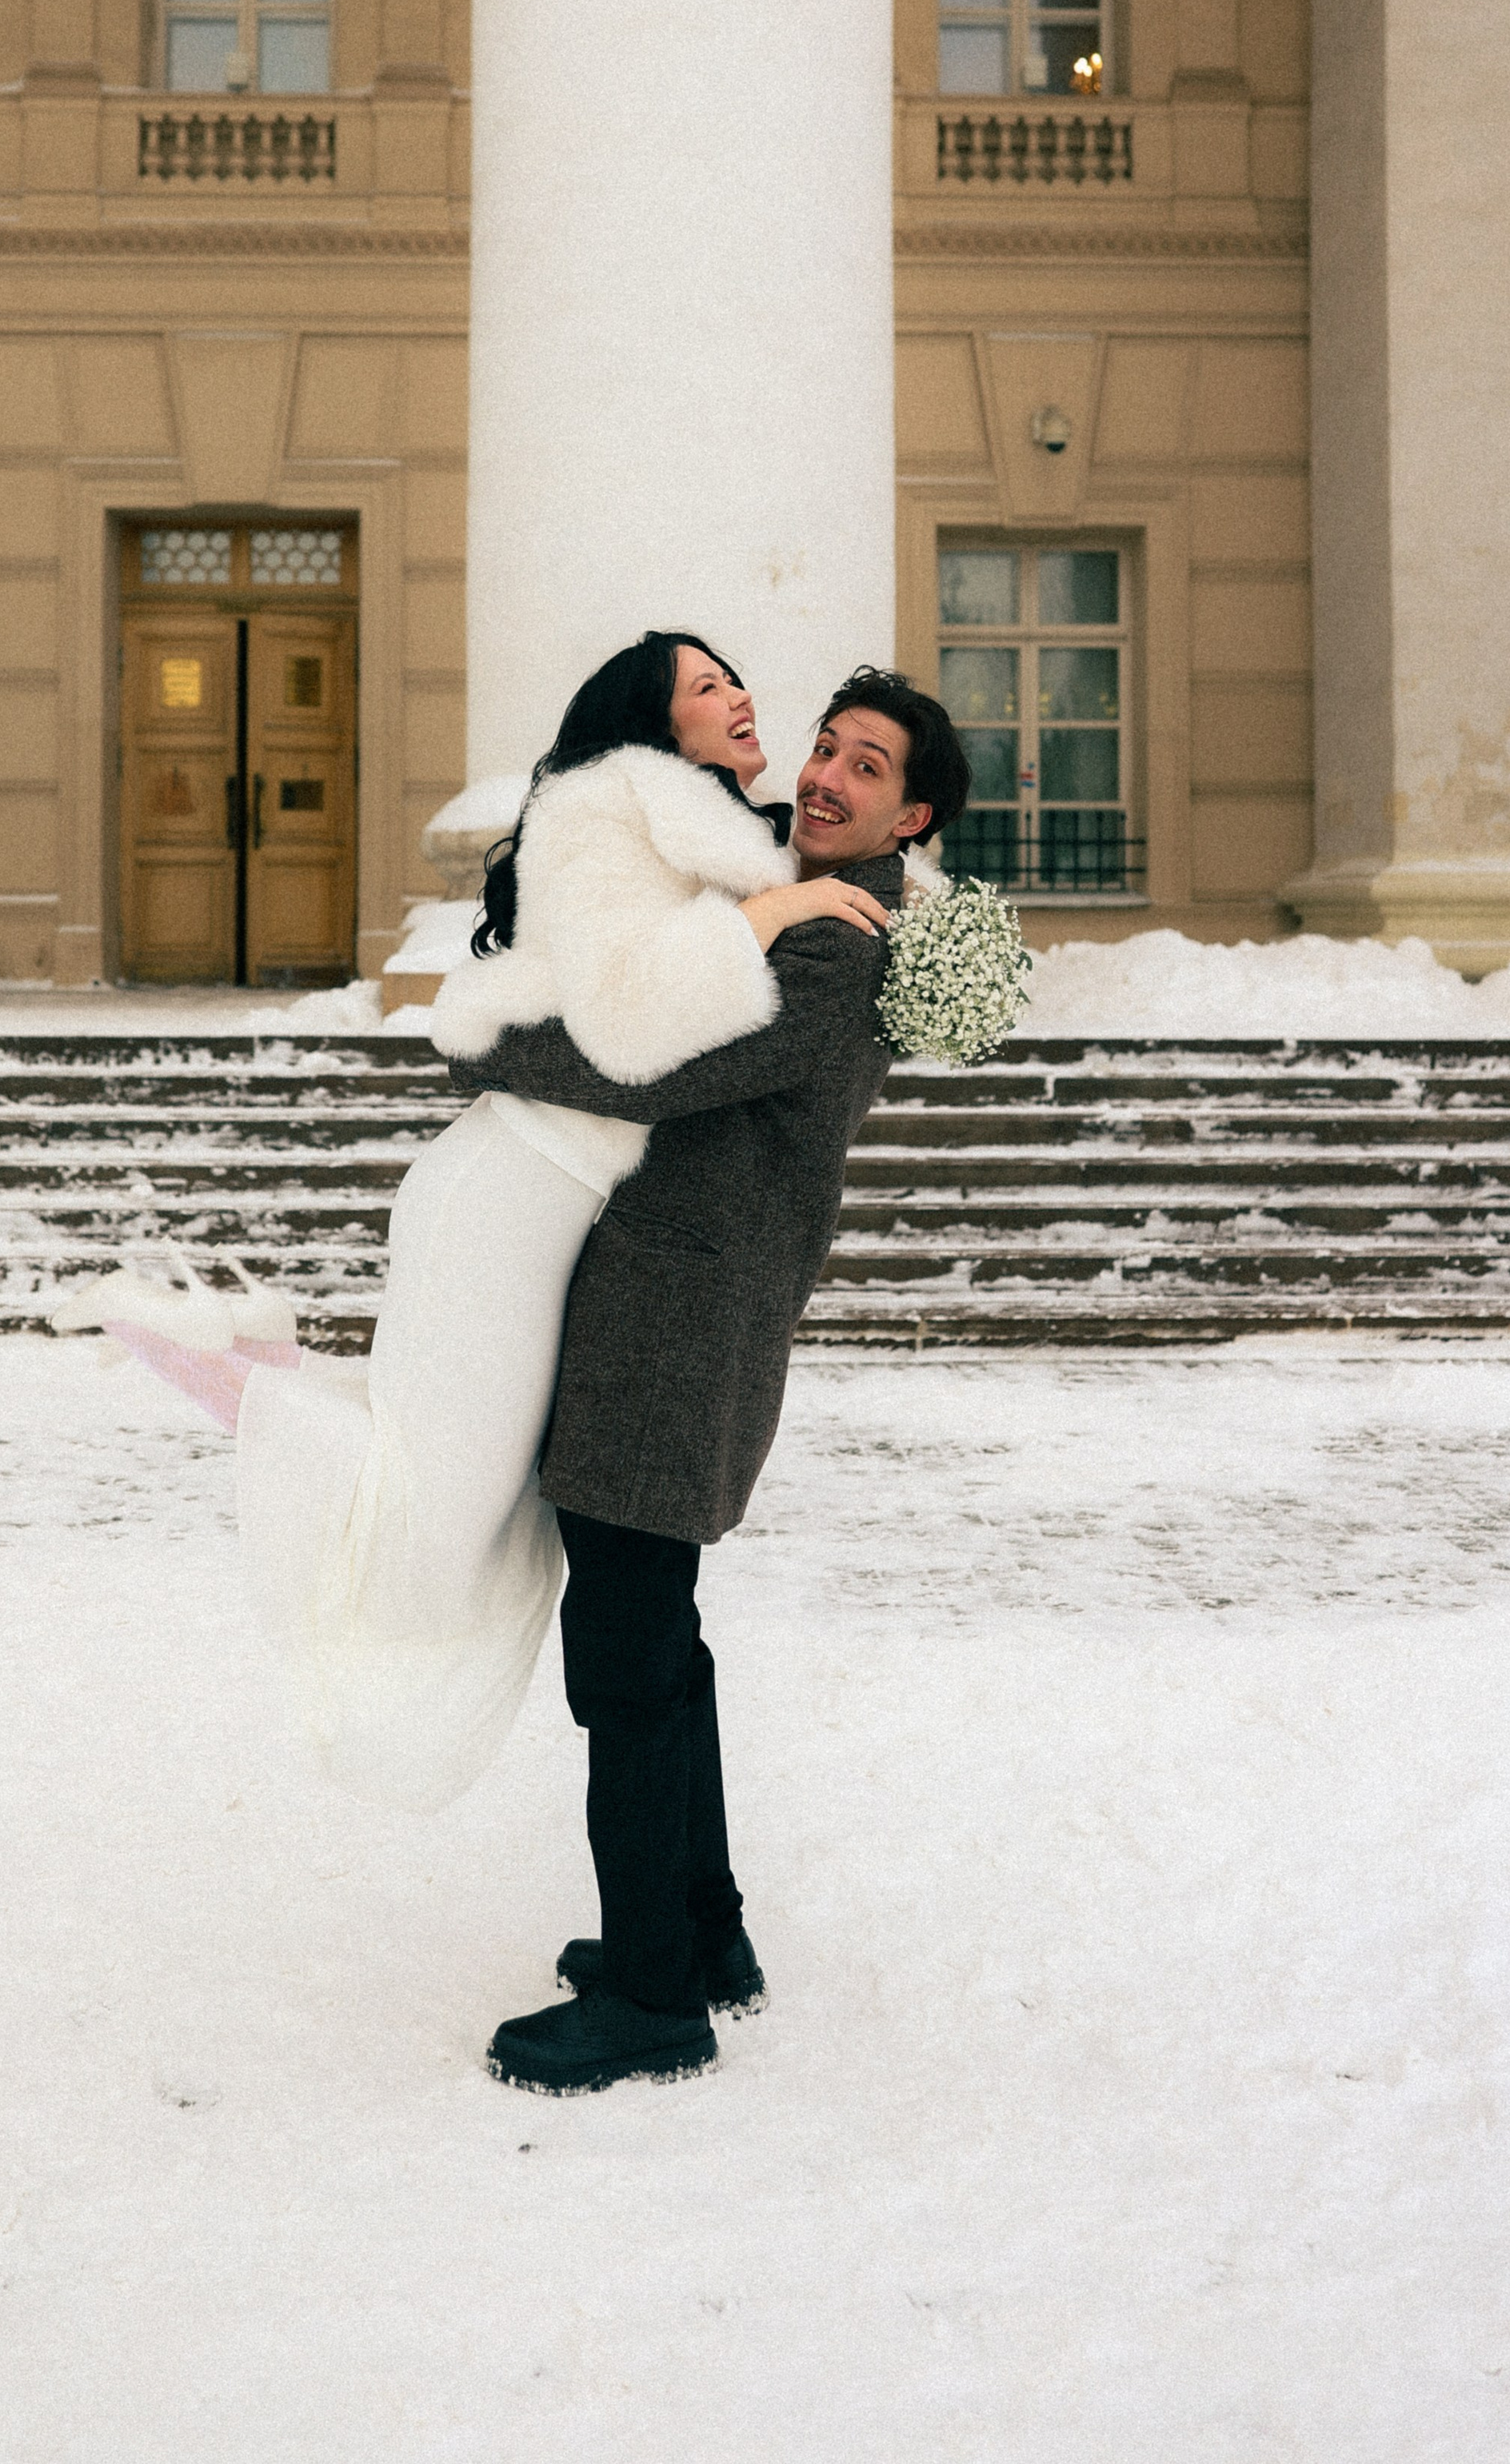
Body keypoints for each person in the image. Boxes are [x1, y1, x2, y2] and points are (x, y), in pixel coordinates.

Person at [127, 630, 893, 1814]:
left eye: (736, 676)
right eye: (706, 687)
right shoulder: (629, 805)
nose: (742, 698)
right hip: (515, 1189)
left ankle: (258, 1371)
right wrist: (766, 911)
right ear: (653, 726)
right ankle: (242, 1379)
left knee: (476, 1504)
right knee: (449, 1512)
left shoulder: (697, 831)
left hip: (544, 1201)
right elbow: (633, 1037)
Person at [445, 666, 972, 2095]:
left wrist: (490, 1045)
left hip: (684, 1324)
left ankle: (655, 2001)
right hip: (668, 1309)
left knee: (625, 1655)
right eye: (826, 747)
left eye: (867, 768)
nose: (825, 775)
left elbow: (652, 1069)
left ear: (909, 815)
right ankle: (701, 1935)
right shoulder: (788, 905)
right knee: (658, 1642)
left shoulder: (839, 947)